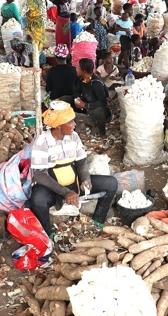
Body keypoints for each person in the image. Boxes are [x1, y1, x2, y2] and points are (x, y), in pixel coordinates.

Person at [28, 101, 118, 236]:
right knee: (37, 198)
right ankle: (48, 234)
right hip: (54, 190)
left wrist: (85, 179)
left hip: (75, 185)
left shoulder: (74, 137)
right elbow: (39, 175)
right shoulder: (42, 142)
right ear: (58, 126)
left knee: (111, 183)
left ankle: (97, 222)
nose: (74, 125)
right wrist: (65, 192)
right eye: (70, 122)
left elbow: (81, 162)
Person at [74, 58, 110, 136]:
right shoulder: (81, 79)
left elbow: (103, 102)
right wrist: (77, 100)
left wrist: (85, 105)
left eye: (78, 68)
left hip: (100, 108)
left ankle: (102, 134)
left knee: (99, 112)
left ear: (83, 71)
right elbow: (76, 91)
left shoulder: (96, 83)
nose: (76, 69)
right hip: (86, 106)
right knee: (66, 99)